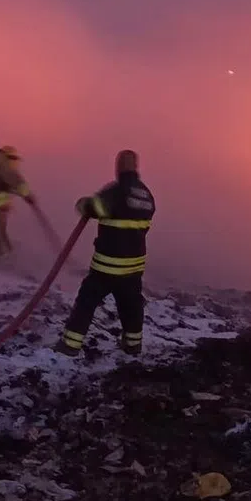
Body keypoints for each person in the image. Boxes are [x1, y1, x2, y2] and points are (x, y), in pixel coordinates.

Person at [56, 150, 155, 357]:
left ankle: (70, 346)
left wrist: (83, 203)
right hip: (134, 267)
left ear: (118, 166)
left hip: (107, 266)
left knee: (86, 302)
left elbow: (95, 207)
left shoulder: (115, 190)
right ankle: (132, 345)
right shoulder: (146, 194)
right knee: (131, 305)